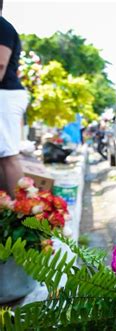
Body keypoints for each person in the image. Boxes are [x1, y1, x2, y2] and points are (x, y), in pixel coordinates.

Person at [0, 2, 29, 197]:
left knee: (8, 156)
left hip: (5, 95)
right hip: (6, 95)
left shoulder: (2, 26)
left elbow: (0, 65)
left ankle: (24, 217)